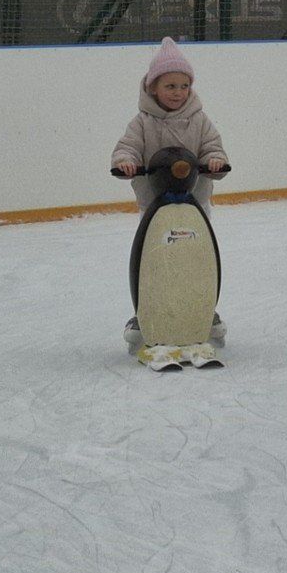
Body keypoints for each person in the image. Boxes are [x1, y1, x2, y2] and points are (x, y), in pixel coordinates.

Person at [112, 37, 230, 346]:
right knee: (151, 258)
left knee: (199, 257)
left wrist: (215, 160)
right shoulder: (143, 122)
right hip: (154, 205)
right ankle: (143, 311)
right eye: (170, 86)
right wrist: (126, 161)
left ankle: (207, 309)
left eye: (184, 86)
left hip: (195, 203)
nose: (178, 93)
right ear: (152, 88)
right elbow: (128, 147)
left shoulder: (199, 120)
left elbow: (212, 146)